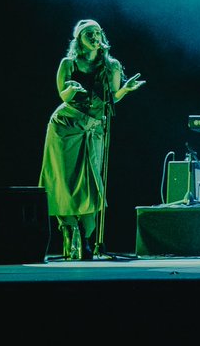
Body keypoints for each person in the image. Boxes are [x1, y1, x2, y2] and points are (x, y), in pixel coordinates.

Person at [39, 19, 145, 260]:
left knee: (91, 183)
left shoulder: (112, 65)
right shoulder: (69, 63)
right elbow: (63, 94)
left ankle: (84, 237)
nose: (95, 36)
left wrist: (125, 90)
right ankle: (69, 229)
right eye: (89, 33)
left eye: (97, 32)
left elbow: (113, 98)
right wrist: (72, 89)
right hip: (66, 125)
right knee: (63, 180)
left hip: (94, 128)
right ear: (79, 38)